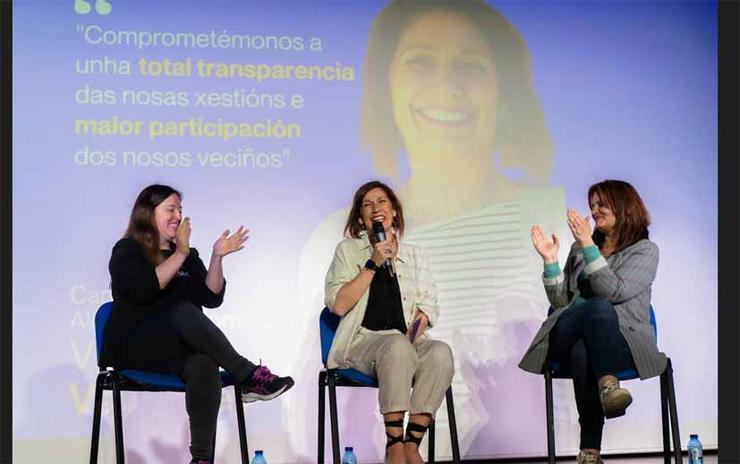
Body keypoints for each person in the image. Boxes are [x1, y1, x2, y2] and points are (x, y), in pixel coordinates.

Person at [100, 184, 294, 464]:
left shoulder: (189, 255)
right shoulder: (127, 250)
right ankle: (247, 374)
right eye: (170, 209)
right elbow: (144, 289)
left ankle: (202, 459)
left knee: (204, 364)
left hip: (173, 352)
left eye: (180, 209)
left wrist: (217, 257)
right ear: (148, 213)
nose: (178, 216)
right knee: (181, 310)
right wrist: (179, 253)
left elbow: (211, 297)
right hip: (136, 349)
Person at [519, 180, 667, 464]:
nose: (595, 211)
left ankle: (589, 452)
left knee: (583, 350)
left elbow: (616, 291)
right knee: (596, 309)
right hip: (566, 330)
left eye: (602, 204)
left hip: (620, 341)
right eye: (592, 205)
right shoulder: (578, 249)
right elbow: (561, 302)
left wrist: (588, 245)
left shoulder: (644, 250)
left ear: (624, 206)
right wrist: (550, 260)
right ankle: (608, 386)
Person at [324, 180, 454, 464]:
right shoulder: (347, 251)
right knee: (396, 346)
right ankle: (394, 444)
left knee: (440, 352)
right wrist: (372, 263)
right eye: (367, 205)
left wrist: (409, 340)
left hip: (405, 342)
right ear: (361, 218)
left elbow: (427, 308)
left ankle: (411, 443)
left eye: (382, 202)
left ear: (393, 211)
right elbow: (338, 304)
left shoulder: (416, 256)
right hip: (361, 342)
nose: (375, 209)